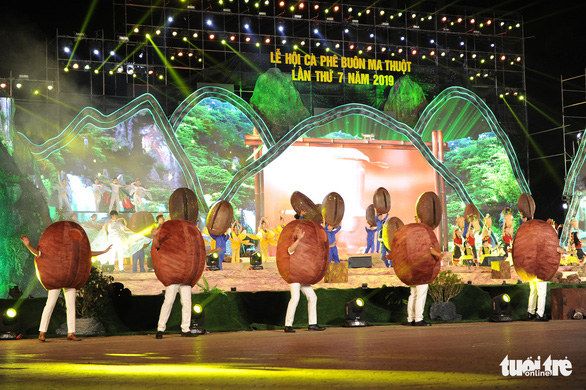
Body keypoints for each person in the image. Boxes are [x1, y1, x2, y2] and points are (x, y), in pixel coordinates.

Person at [20, 234, 111, 342]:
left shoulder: (72, 251)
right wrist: (28, 245)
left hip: (70, 280)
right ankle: (42, 332)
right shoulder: (52, 250)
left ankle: (71, 333)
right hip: (56, 279)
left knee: (71, 306)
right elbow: (38, 253)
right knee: (49, 305)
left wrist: (103, 252)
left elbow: (86, 254)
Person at [152, 224, 197, 339]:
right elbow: (157, 247)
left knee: (187, 302)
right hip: (173, 275)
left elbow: (197, 253)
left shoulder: (187, 242)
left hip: (186, 276)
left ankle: (185, 329)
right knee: (168, 301)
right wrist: (155, 236)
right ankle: (160, 329)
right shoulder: (168, 240)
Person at [284, 227, 325, 333]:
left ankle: (312, 324)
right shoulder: (293, 244)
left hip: (302, 276)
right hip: (294, 276)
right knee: (295, 298)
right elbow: (290, 250)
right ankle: (288, 325)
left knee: (312, 297)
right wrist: (299, 239)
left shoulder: (305, 248)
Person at [407, 246, 442, 327]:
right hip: (421, 270)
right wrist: (439, 254)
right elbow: (429, 249)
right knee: (420, 295)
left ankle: (410, 319)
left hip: (412, 270)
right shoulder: (423, 238)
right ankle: (418, 319)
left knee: (413, 295)